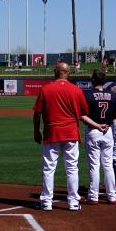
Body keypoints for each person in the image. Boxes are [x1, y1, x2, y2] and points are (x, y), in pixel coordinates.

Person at [32, 61, 88, 211]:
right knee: (72, 168)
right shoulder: (76, 90)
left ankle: (46, 202)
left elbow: (37, 113)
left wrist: (36, 131)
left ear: (55, 72)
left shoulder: (46, 89)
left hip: (52, 133)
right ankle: (73, 202)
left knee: (49, 168)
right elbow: (84, 112)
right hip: (71, 132)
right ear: (68, 73)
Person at [80, 68, 116, 204]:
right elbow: (115, 116)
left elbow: (82, 115)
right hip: (108, 131)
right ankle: (112, 195)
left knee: (94, 165)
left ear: (93, 80)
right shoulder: (112, 95)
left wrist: (97, 125)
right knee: (108, 165)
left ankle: (93, 196)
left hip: (93, 131)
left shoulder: (87, 95)